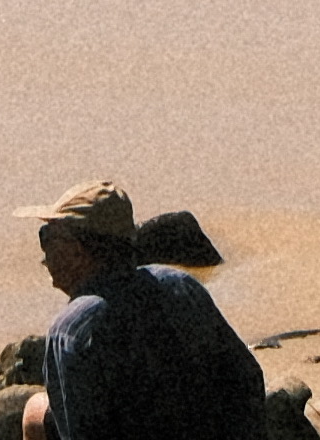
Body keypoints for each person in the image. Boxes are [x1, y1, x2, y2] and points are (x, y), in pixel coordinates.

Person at [17, 186, 260, 440]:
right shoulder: (180, 285)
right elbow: (248, 377)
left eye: (47, 237)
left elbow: (81, 431)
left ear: (77, 250)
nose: (44, 252)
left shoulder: (72, 329)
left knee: (34, 411)